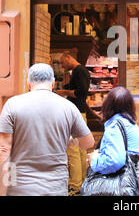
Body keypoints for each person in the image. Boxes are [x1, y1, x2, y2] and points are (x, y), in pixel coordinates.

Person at [0, 63, 95, 196]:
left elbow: (2, 150)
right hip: (56, 188)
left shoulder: (12, 105)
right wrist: (70, 141)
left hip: (21, 188)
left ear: (28, 83)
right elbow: (88, 143)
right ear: (52, 83)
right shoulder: (68, 107)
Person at [88, 86, 139, 196]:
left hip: (120, 190)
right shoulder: (131, 125)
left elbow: (114, 161)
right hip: (133, 188)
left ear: (107, 106)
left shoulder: (115, 127)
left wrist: (94, 159)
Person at [55, 52, 96, 195]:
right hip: (80, 113)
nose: (62, 66)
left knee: (73, 150)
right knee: (80, 150)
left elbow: (80, 92)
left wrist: (63, 92)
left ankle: (75, 185)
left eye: (62, 62)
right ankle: (82, 181)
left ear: (68, 57)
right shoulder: (79, 71)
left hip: (76, 114)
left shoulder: (79, 71)